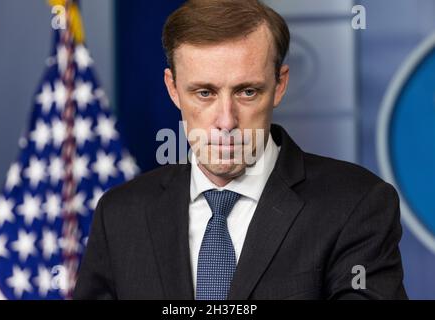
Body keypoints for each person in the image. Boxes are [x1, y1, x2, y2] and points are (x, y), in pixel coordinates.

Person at [74, 0, 407, 299]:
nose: (226, 120)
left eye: (247, 92)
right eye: (204, 93)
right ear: (173, 89)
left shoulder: (357, 205)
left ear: (280, 85)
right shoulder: (120, 215)